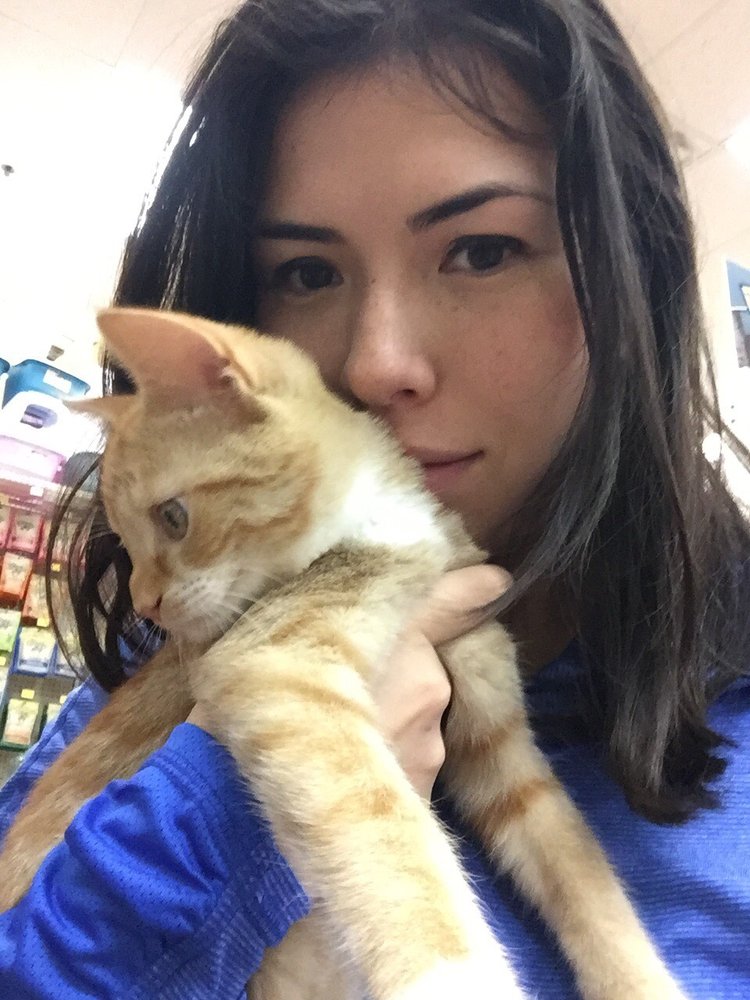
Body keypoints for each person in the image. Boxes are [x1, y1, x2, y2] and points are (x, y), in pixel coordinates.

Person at [1, 0, 749, 996]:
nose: (374, 363)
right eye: (306, 272)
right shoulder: (176, 646)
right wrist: (213, 810)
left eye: (482, 250)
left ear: (629, 269)